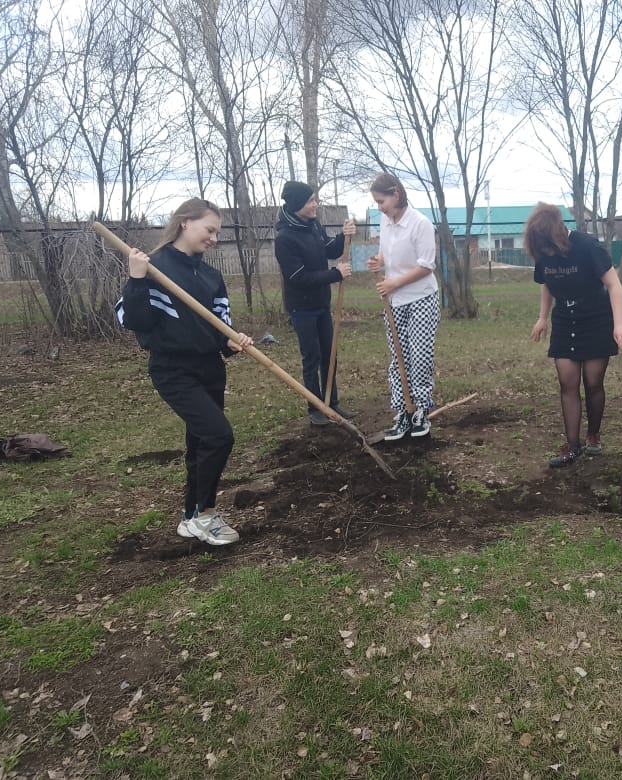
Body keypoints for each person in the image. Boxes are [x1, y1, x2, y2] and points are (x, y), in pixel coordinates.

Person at [115, 198, 254, 545]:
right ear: (185, 223)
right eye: (210, 230)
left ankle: (191, 517)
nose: (214, 239)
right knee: (219, 436)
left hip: (210, 368)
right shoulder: (155, 267)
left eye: (217, 233)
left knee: (200, 443)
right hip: (173, 369)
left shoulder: (210, 276)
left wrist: (230, 341)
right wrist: (136, 278)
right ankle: (206, 515)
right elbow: (133, 320)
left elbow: (220, 325)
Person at [525, 203, 622, 467]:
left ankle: (593, 435)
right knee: (567, 383)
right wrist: (543, 317)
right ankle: (572, 446)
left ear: (558, 234)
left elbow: (613, 284)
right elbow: (546, 285)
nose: (547, 253)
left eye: (549, 247)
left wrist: (619, 324)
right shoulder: (542, 251)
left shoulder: (587, 246)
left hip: (596, 318)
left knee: (593, 383)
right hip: (565, 320)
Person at [274, 181, 356, 426]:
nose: (315, 204)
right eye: (310, 201)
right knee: (311, 357)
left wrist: (344, 236)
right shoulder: (285, 238)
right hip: (302, 308)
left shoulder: (314, 226)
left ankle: (332, 402)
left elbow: (330, 250)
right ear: (298, 204)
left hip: (321, 303)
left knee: (329, 354)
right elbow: (298, 277)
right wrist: (335, 274)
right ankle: (315, 407)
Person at [367, 173, 440, 440]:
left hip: (421, 298)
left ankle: (420, 409)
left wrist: (394, 283)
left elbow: (426, 265)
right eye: (376, 202)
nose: (379, 207)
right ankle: (403, 411)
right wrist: (380, 261)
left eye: (381, 201)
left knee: (420, 356)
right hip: (394, 302)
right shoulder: (386, 222)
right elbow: (387, 252)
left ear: (396, 195)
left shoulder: (420, 224)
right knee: (399, 358)